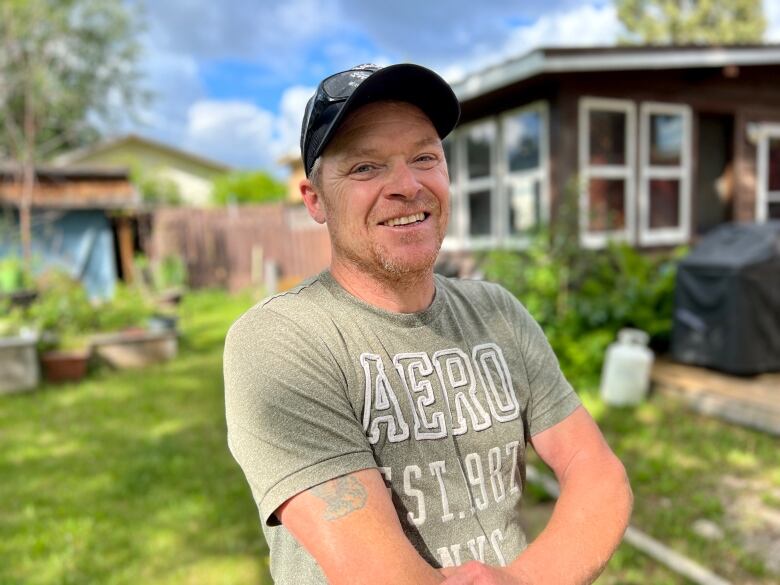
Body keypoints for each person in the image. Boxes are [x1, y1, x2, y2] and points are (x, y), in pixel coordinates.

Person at [224, 63, 632, 585]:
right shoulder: (283, 342)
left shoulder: (497, 313)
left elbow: (597, 471)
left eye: (424, 157)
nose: (407, 186)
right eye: (365, 167)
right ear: (315, 200)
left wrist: (528, 578)